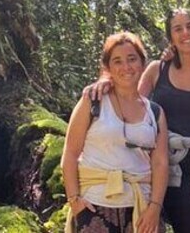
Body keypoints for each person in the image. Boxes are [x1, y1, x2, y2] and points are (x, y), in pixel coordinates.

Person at [85, 10, 190, 233]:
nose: (185, 33)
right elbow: (128, 100)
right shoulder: (156, 70)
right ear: (171, 37)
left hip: (183, 170)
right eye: (177, 29)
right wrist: (105, 80)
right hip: (144, 166)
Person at [61, 32, 168, 233]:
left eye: (132, 59)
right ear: (108, 67)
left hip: (141, 207)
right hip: (95, 205)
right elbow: (71, 153)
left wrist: (155, 206)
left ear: (142, 64)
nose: (126, 67)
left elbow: (160, 163)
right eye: (117, 61)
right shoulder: (92, 101)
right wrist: (75, 201)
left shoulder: (155, 112)